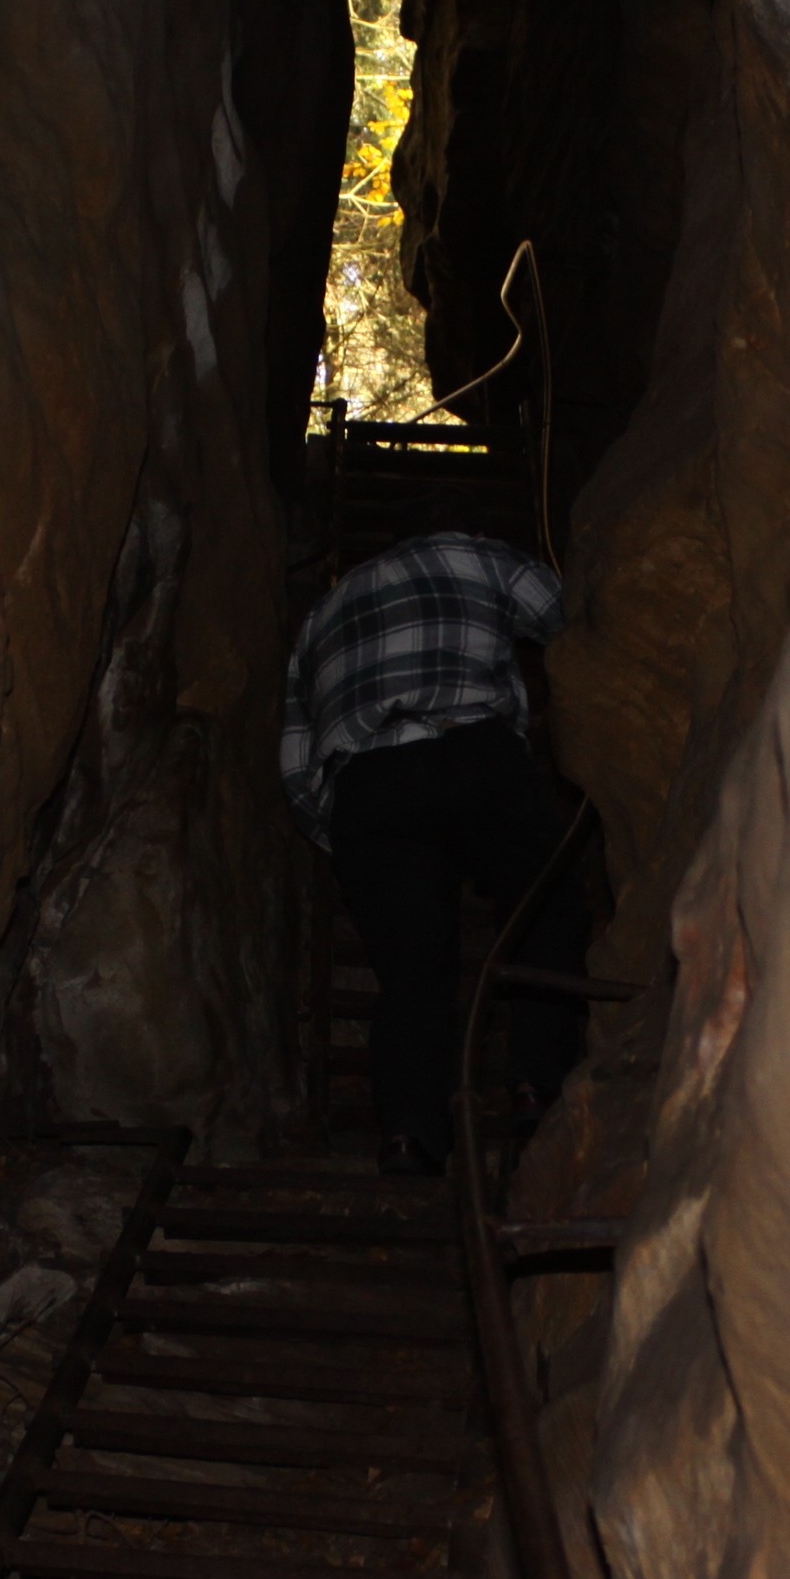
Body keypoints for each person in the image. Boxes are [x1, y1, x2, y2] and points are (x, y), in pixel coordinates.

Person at [282, 497, 591, 1174]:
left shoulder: (320, 615)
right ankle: (535, 1083)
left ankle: (409, 1137)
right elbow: (571, 622)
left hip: (368, 784)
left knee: (411, 968)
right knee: (545, 905)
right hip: (470, 751)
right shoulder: (473, 553)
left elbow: (296, 764)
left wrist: (348, 838)